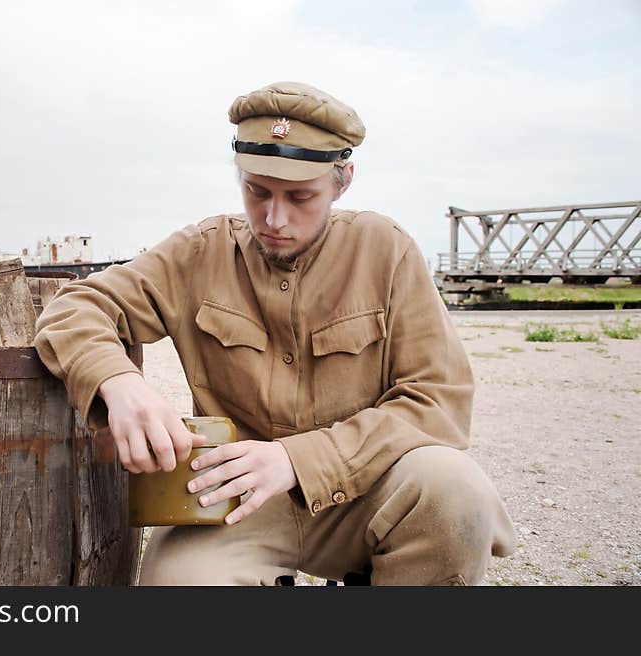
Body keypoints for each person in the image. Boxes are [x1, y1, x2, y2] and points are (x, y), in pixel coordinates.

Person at [34, 81, 516, 585]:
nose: (274, 218)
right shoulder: (199, 252)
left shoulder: (387, 251)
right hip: (234, 499)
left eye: (301, 196)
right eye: (257, 191)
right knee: (179, 584)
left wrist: (297, 459)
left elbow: (438, 402)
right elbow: (76, 306)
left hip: (367, 488)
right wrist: (120, 383)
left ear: (343, 180)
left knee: (457, 491)